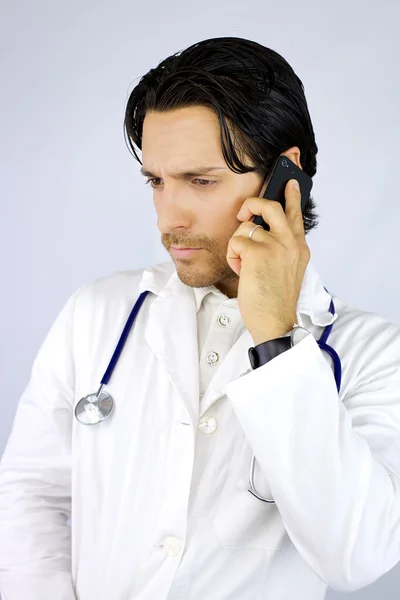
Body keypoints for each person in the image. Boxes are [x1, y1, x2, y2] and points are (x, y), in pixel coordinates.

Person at [1, 36, 400, 600]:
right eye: (156, 181)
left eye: (201, 181)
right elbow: (31, 498)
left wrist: (276, 344)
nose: (169, 216)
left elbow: (356, 557)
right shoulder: (96, 314)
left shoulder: (374, 354)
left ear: (286, 176)